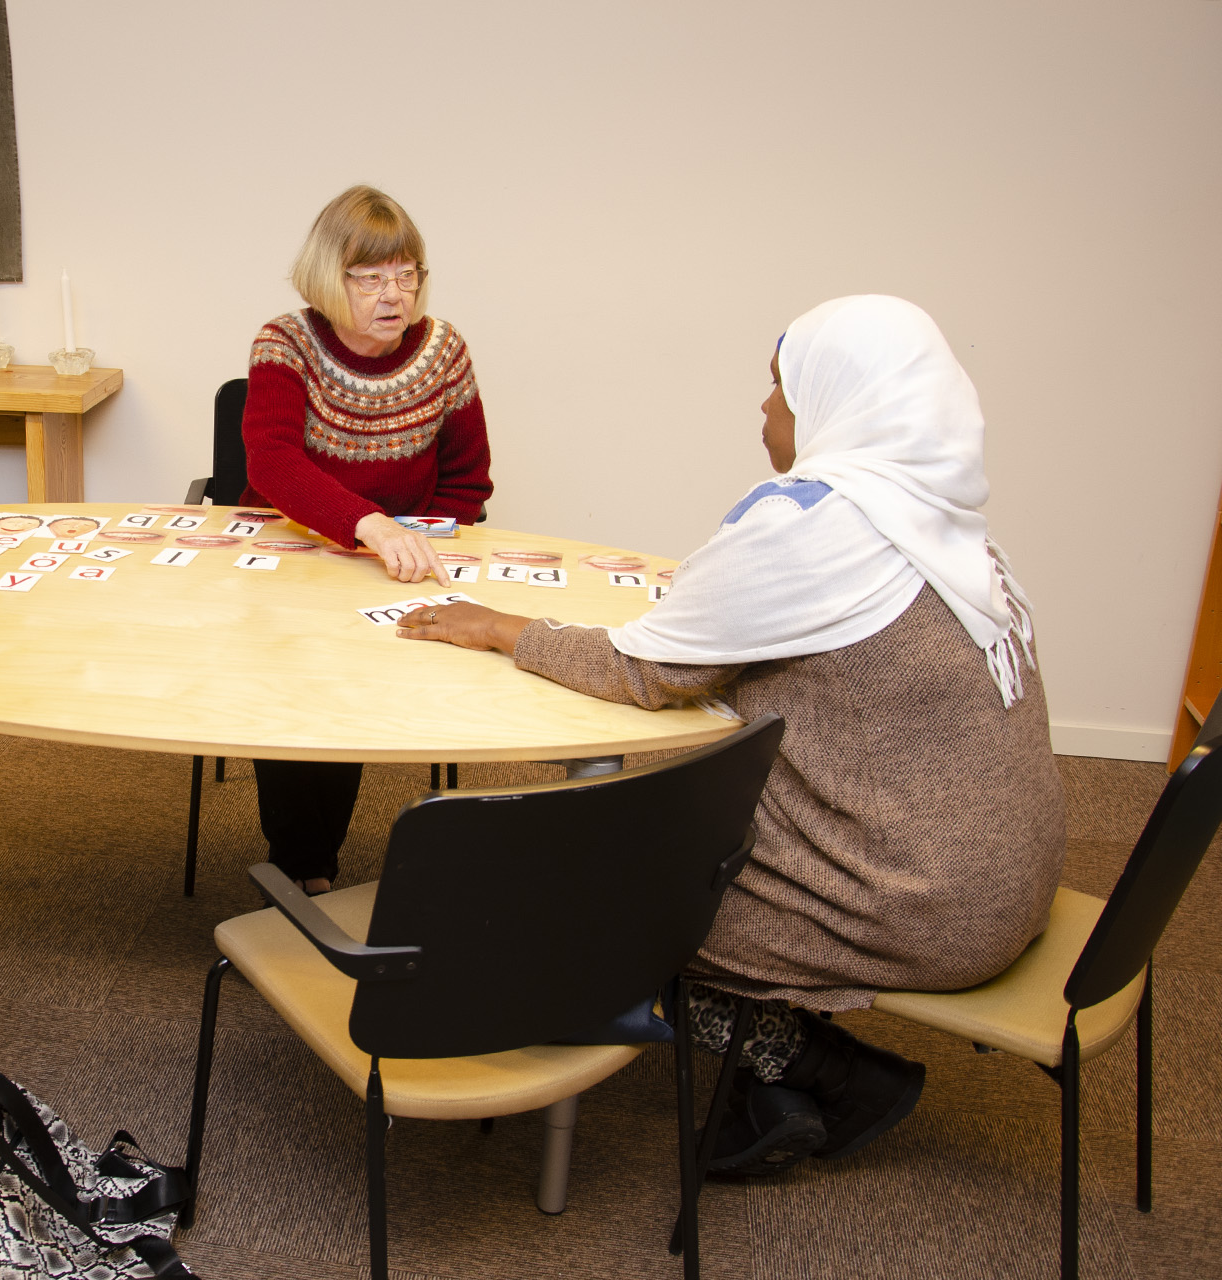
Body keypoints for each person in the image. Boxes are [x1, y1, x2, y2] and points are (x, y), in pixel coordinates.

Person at [399, 295, 1065, 1175]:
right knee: (691, 811)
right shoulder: (947, 524)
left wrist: (494, 626)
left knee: (593, 901)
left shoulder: (818, 530)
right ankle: (772, 1092)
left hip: (923, 909)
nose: (766, 406)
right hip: (1008, 880)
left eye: (781, 387)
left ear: (836, 403)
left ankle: (831, 1072)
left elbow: (643, 671)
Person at [238, 185, 494, 893]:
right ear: (330, 277)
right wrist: (367, 524)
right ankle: (303, 863)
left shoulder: (443, 352)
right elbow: (272, 462)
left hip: (388, 568)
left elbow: (468, 482)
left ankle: (310, 862)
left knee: (349, 677)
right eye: (372, 277)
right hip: (291, 556)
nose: (394, 294)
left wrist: (411, 544)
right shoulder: (284, 342)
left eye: (406, 275)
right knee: (294, 675)